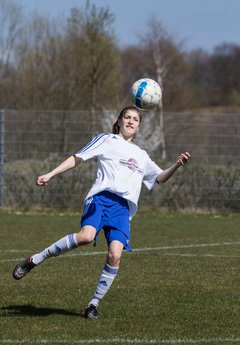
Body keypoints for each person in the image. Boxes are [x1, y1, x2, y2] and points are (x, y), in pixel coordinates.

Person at [12, 106, 191, 319]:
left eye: (135, 119)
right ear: (119, 121)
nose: (131, 121)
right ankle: (35, 259)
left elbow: (159, 177)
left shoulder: (141, 155)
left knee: (115, 255)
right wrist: (51, 174)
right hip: (101, 199)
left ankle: (92, 305)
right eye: (127, 117)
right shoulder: (107, 140)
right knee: (86, 236)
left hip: (122, 209)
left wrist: (177, 165)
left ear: (139, 126)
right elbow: (77, 157)